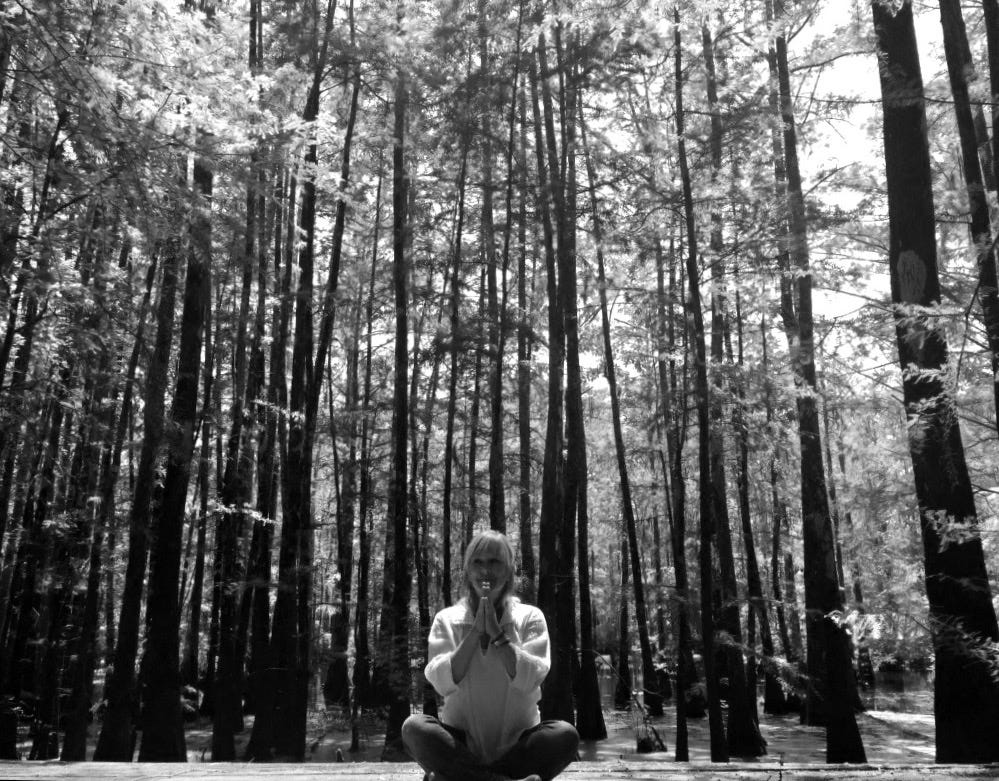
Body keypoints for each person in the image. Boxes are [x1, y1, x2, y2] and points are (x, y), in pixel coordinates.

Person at [402, 530, 579, 781]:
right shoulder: (447, 619)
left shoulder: (530, 617)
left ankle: (462, 778)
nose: (486, 570)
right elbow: (441, 682)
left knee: (565, 735)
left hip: (519, 747)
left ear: (509, 570)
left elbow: (531, 678)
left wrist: (497, 633)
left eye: (495, 561)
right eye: (478, 562)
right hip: (460, 746)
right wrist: (475, 632)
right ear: (467, 570)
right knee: (414, 728)